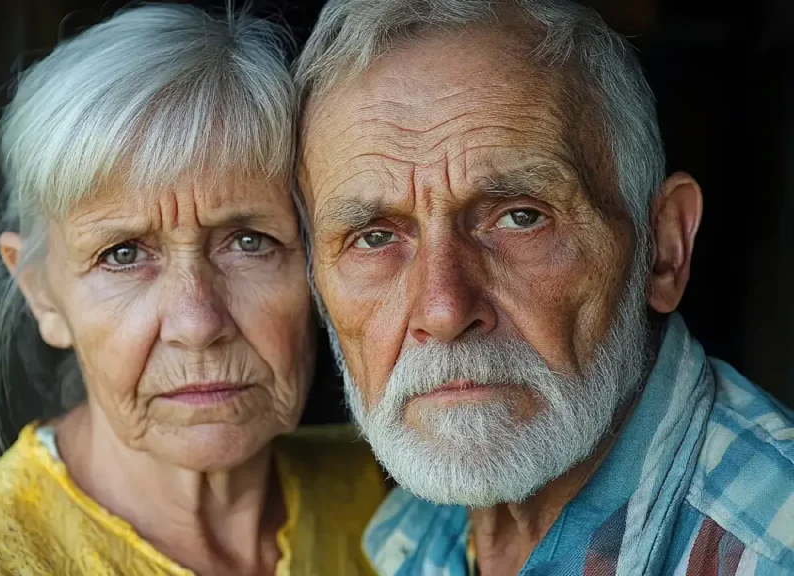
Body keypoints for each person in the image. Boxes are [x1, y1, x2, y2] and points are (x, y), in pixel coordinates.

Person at [0, 5, 386, 575]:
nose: (196, 322)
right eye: (123, 254)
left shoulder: (388, 500)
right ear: (41, 293)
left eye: (248, 241)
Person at [295, 0, 794, 574]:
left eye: (520, 217)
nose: (443, 308)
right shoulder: (406, 537)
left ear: (664, 249)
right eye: (375, 237)